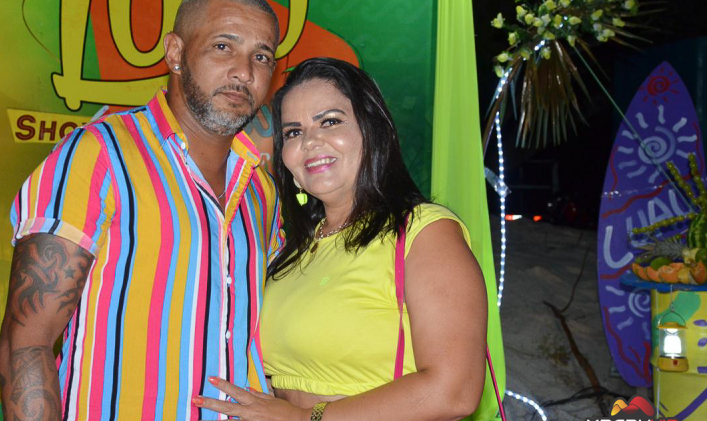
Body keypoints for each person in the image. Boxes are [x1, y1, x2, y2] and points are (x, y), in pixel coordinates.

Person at [0, 0, 284, 421]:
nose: (244, 72)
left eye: (261, 56)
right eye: (223, 46)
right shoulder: (98, 155)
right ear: (175, 53)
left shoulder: (262, 190)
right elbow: (26, 341)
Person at [193, 58, 489, 420]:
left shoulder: (423, 231)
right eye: (293, 132)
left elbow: (454, 391)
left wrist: (305, 418)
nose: (310, 141)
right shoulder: (291, 250)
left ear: (372, 130)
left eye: (330, 121)